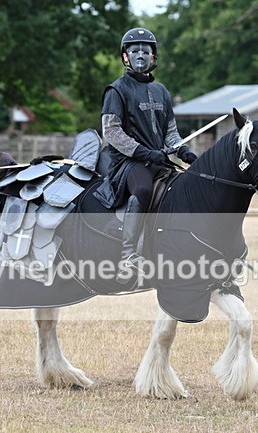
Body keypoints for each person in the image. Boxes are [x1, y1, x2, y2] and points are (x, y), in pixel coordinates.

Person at [98, 27, 198, 282]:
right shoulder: (116, 90)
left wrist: (183, 151)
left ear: (153, 57)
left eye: (146, 51)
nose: (140, 55)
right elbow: (111, 132)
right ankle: (128, 254)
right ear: (125, 57)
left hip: (158, 160)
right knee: (142, 189)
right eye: (135, 51)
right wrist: (143, 152)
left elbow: (171, 133)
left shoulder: (163, 91)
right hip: (127, 163)